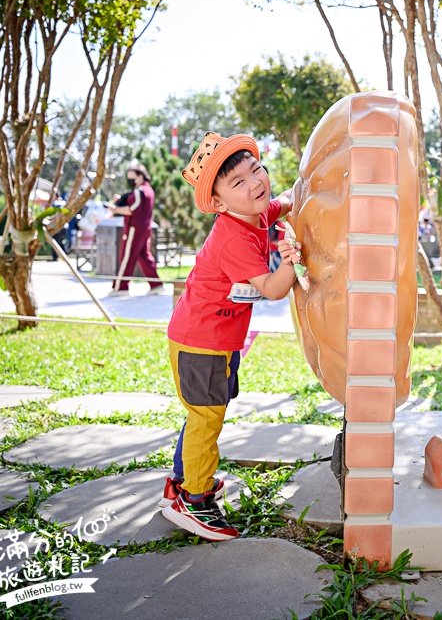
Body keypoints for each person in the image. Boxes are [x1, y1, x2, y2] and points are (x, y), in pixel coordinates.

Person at [161, 132, 301, 541]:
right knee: (206, 419)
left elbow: (284, 202)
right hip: (201, 341)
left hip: (212, 338)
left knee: (202, 414)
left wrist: (305, 192)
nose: (255, 183)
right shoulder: (233, 237)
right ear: (219, 203)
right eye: (238, 182)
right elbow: (273, 289)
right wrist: (292, 258)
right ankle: (195, 500)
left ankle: (182, 480)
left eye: (256, 170)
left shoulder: (254, 214)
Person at [106, 164, 164, 296]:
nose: (130, 181)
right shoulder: (148, 190)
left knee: (127, 256)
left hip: (135, 228)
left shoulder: (140, 191)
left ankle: (121, 287)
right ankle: (156, 285)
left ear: (140, 176)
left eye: (132, 178)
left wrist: (115, 209)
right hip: (144, 228)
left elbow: (133, 209)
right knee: (144, 256)